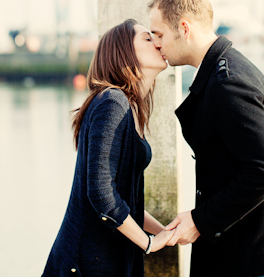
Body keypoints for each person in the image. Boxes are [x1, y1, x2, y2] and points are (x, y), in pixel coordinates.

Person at [148, 0, 264, 277]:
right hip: (256, 254)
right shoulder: (222, 71)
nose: (157, 44)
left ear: (184, 28)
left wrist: (200, 221)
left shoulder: (229, 82)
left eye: (160, 35)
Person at [41, 19, 175, 277]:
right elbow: (101, 192)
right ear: (124, 52)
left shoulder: (128, 106)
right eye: (148, 39)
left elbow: (124, 200)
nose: (158, 42)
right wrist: (148, 243)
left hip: (108, 258)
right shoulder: (112, 102)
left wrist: (164, 233)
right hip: (84, 264)